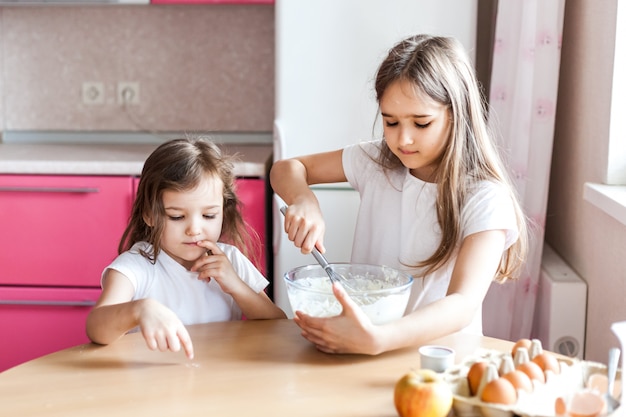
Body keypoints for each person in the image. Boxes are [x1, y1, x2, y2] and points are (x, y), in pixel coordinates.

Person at [270, 34, 528, 355]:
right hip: (361, 347)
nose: (403, 139)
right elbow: (286, 168)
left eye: (421, 123)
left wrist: (380, 340)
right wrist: (303, 199)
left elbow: (462, 303)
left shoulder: (484, 197)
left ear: (456, 114)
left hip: (439, 360)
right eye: (391, 122)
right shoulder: (377, 162)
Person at [87, 137, 286, 359]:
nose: (194, 229)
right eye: (177, 216)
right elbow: (96, 327)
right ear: (149, 215)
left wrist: (236, 286)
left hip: (216, 382)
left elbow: (278, 324)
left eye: (209, 215)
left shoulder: (230, 260)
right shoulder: (136, 266)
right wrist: (140, 310)